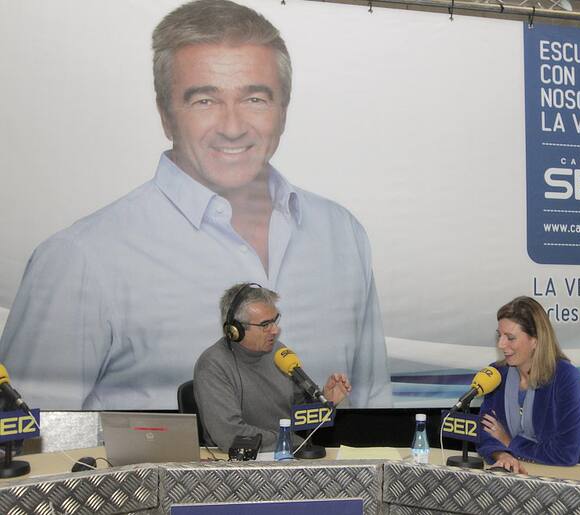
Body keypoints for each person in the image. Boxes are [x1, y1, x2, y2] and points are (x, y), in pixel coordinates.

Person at [0, 0, 391, 410]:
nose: (232, 127)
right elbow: (21, 433)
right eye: (204, 100)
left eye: (255, 99)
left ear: (283, 110)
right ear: (165, 114)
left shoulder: (341, 234)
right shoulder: (80, 259)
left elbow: (374, 409)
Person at [194, 283, 351, 451]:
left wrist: (325, 402)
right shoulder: (213, 365)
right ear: (235, 330)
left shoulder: (279, 353)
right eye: (265, 325)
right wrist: (292, 442)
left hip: (285, 453)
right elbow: (231, 435)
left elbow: (301, 416)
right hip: (239, 460)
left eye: (275, 320)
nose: (275, 330)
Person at [477, 296, 580, 472]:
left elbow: (565, 453)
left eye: (510, 337)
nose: (501, 344)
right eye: (499, 335)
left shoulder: (566, 377)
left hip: (568, 477)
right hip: (515, 475)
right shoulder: (496, 374)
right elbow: (485, 432)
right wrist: (502, 455)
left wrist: (509, 443)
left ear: (535, 340)